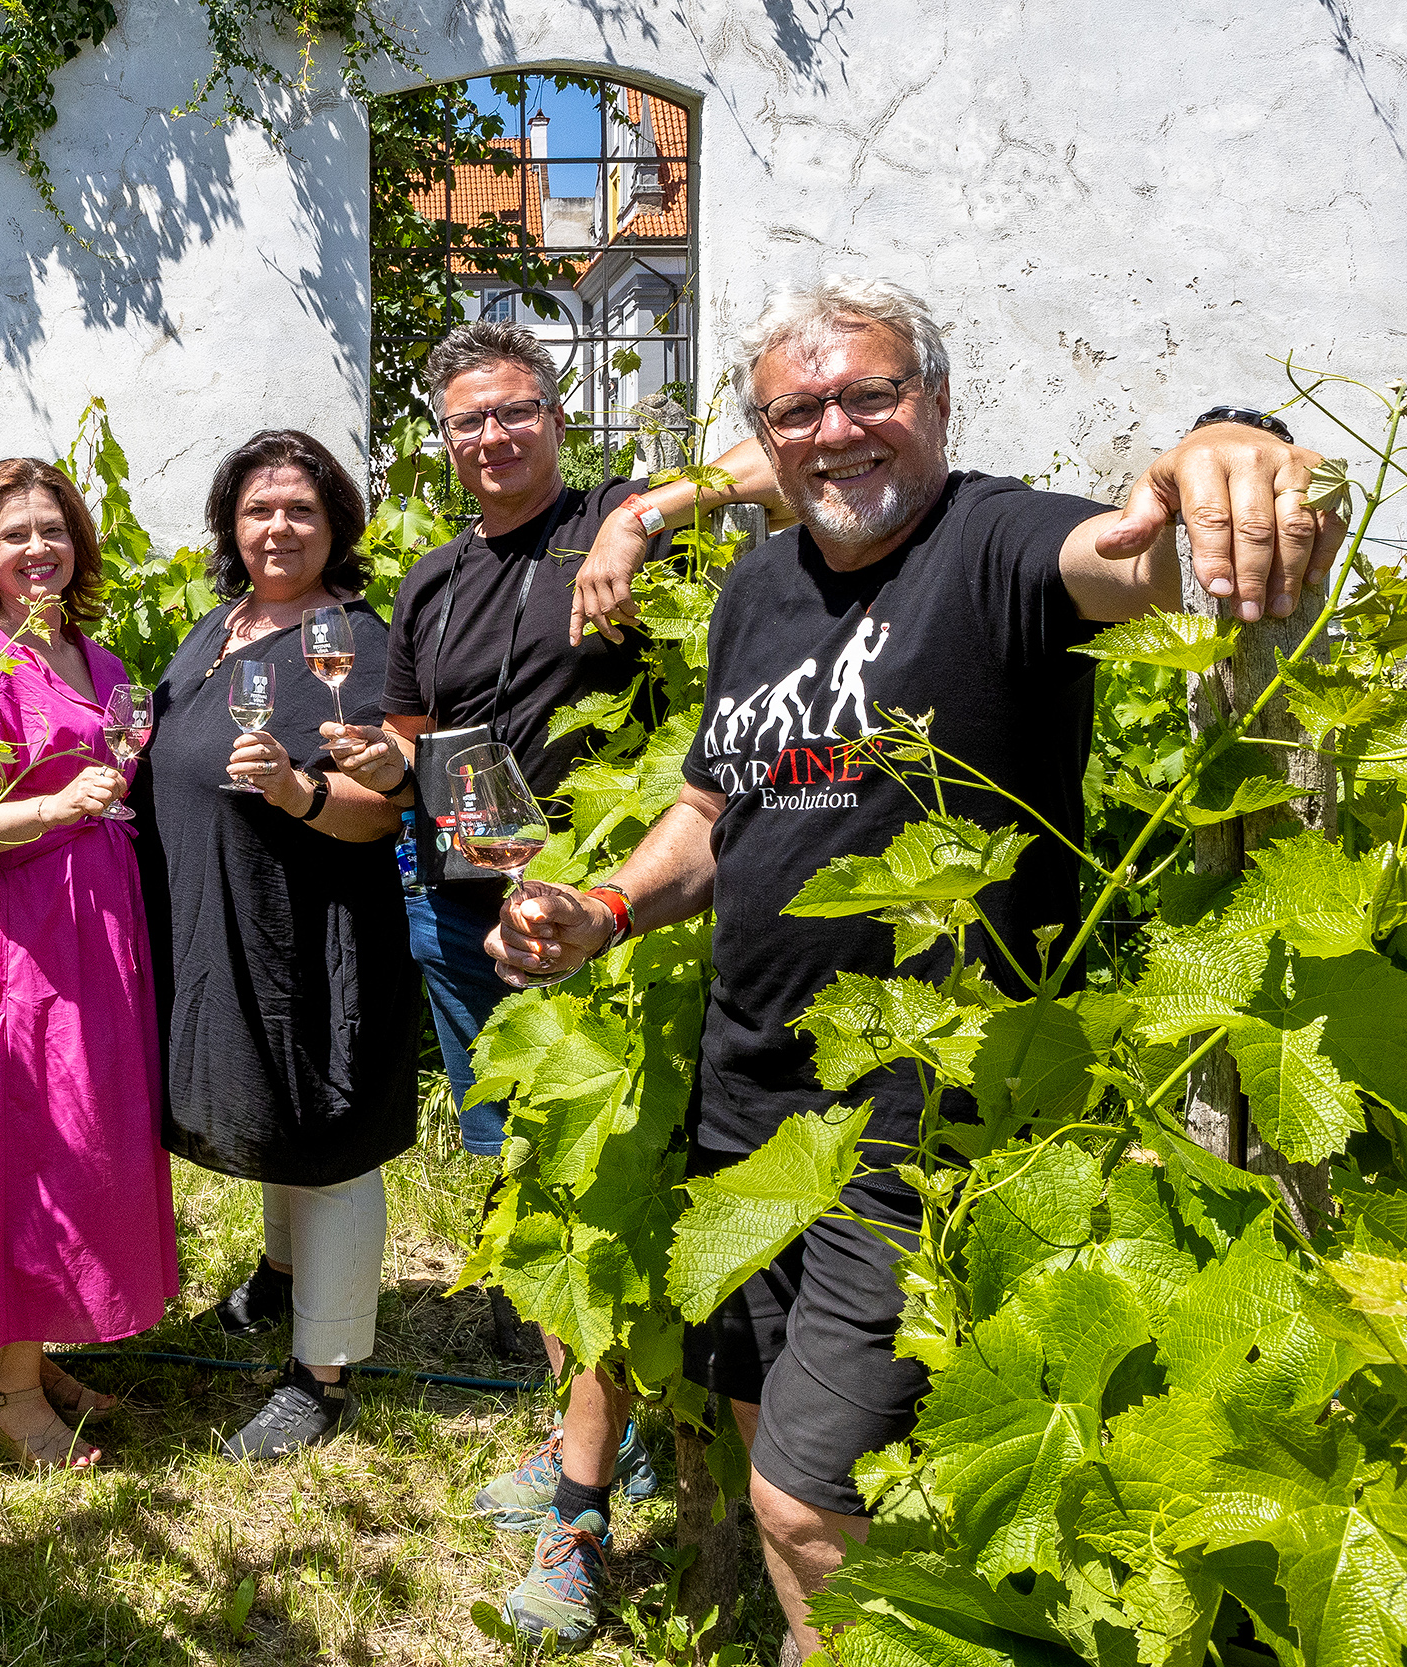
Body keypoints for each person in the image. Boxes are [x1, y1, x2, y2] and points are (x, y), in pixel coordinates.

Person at [485, 275, 1344, 1656]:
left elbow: (1160, 560)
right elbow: (715, 809)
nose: (837, 430)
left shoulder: (994, 541)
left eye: (870, 393)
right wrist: (604, 904)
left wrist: (1224, 447)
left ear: (933, 399)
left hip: (920, 1116)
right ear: (766, 437)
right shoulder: (758, 590)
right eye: (798, 409)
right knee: (770, 1422)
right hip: (749, 1088)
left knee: (807, 1505)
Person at [325, 318, 783, 1644]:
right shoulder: (432, 580)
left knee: (609, 1181)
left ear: (556, 414)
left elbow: (783, 469)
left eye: (515, 411)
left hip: (613, 917)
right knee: (533, 1188)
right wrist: (378, 749)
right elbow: (420, 725)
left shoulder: (625, 522)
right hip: (467, 914)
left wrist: (650, 518)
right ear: (447, 438)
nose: (493, 437)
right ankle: (593, 1429)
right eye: (468, 420)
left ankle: (622, 1476)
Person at [131, 431, 420, 1460]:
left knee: (324, 1118)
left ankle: (323, 1370)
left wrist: (298, 794)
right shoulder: (217, 626)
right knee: (266, 1092)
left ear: (336, 521)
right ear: (231, 528)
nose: (278, 526)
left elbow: (384, 807)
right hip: (223, 912)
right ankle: (283, 1271)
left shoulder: (362, 642)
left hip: (314, 921)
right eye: (258, 510)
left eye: (299, 508)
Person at [0, 458, 179, 1470]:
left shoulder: (103, 659)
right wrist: (48, 808)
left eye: (53, 530)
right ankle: (6, 1385)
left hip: (101, 922)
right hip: (23, 934)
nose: (38, 549)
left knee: (92, 1137)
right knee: (28, 1143)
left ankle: (39, 1343)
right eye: (15, 534)